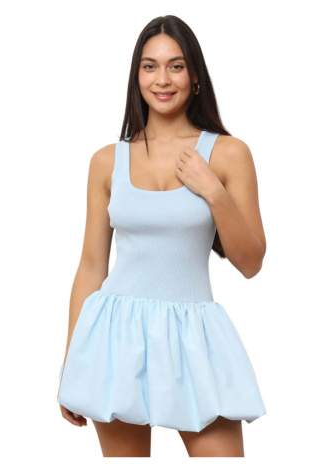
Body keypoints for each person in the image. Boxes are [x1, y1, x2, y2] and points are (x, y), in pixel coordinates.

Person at [57, 15, 267, 458]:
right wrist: (71, 364)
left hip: (195, 339)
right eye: (150, 66)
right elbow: (91, 266)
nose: (162, 79)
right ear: (137, 77)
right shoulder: (106, 161)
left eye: (176, 66)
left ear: (195, 76)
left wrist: (213, 191)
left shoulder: (228, 153)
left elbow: (251, 263)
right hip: (114, 337)